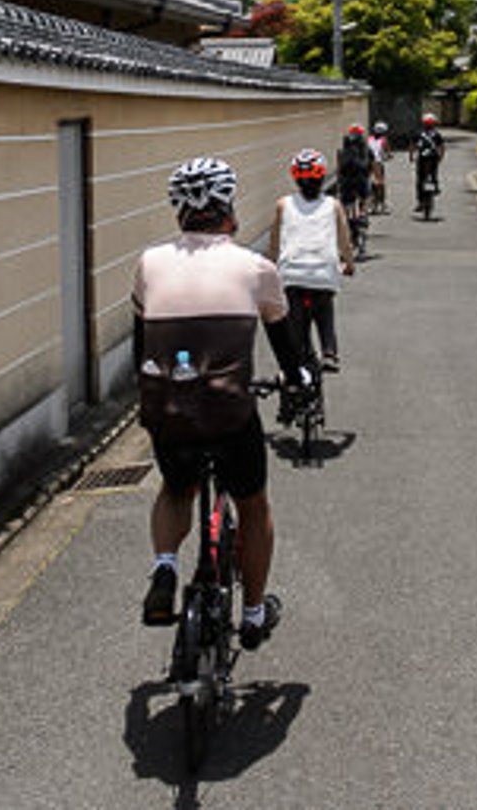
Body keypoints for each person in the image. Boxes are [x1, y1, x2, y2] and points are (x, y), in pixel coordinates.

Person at [136, 157, 308, 651]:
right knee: (253, 507)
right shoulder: (257, 268)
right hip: (230, 414)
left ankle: (165, 568)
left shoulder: (149, 264)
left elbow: (141, 346)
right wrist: (297, 380)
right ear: (227, 206)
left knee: (175, 490)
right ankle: (253, 615)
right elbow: (288, 350)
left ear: (178, 211)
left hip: (166, 409)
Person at [266, 149, 355, 378]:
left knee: (295, 322)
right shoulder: (333, 205)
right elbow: (345, 241)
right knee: (324, 308)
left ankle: (295, 360)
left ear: (295, 178)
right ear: (322, 177)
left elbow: (274, 244)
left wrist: (269, 268)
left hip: (291, 274)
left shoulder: (283, 204)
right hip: (324, 272)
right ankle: (329, 352)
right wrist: (349, 263)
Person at [336, 123, 373, 256]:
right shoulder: (366, 150)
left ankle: (349, 231)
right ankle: (363, 214)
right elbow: (371, 166)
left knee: (346, 209)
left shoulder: (342, 151)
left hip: (346, 184)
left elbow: (339, 169)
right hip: (361, 182)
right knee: (367, 198)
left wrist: (340, 184)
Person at [414, 113, 445, 209]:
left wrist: (411, 156)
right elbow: (441, 147)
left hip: (422, 158)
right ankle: (435, 187)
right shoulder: (437, 134)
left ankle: (420, 201)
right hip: (433, 158)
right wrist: (441, 157)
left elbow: (413, 145)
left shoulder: (419, 133)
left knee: (420, 178)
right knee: (434, 174)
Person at [368, 121, 390, 215]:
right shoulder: (384, 140)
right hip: (377, 163)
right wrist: (388, 156)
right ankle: (382, 204)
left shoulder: (368, 139)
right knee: (381, 183)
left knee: (370, 183)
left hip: (368, 163)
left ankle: (371, 203)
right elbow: (387, 152)